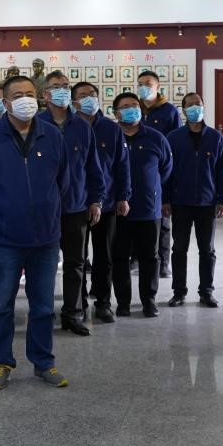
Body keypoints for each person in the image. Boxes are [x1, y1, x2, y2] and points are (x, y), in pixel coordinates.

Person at [0, 74, 70, 390]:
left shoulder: (51, 135)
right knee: (1, 305)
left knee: (43, 306)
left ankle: (44, 362)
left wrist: (47, 208)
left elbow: (62, 181)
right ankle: (1, 363)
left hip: (45, 237)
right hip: (4, 238)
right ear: (5, 103)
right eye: (18, 95)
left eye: (29, 94)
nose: (25, 100)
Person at [37, 71, 105, 336]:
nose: (63, 90)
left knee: (76, 264)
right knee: (43, 264)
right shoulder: (36, 125)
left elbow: (93, 168)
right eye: (56, 86)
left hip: (76, 206)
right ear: (46, 94)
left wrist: (96, 200)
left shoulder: (82, 127)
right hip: (43, 208)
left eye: (66, 86)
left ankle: (73, 314)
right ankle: (42, 312)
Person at [72, 82, 131, 324]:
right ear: (74, 102)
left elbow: (122, 165)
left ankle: (103, 303)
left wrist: (123, 196)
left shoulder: (111, 128)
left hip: (106, 204)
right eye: (83, 95)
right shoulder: (69, 127)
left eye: (92, 94)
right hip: (75, 204)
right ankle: (79, 302)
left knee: (104, 257)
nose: (89, 98)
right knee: (77, 258)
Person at [165, 93, 223, 309]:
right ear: (183, 110)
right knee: (179, 249)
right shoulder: (173, 138)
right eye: (190, 105)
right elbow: (166, 172)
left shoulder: (215, 137)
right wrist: (166, 199)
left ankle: (206, 292)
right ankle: (178, 292)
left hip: (207, 203)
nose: (195, 108)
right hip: (180, 202)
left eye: (198, 104)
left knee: (207, 250)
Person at [110, 92, 172, 317]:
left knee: (150, 258)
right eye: (125, 106)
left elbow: (166, 170)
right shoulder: (111, 137)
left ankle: (149, 300)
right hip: (117, 210)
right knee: (119, 258)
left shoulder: (156, 138)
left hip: (148, 209)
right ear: (116, 113)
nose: (132, 109)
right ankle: (123, 302)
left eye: (135, 105)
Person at [138, 70, 180, 282]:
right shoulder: (135, 108)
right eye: (140, 83)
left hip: (161, 171)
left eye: (148, 83)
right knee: (134, 219)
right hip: (136, 172)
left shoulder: (169, 111)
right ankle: (135, 258)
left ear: (157, 87)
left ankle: (163, 262)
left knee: (162, 219)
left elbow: (176, 142)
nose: (143, 87)